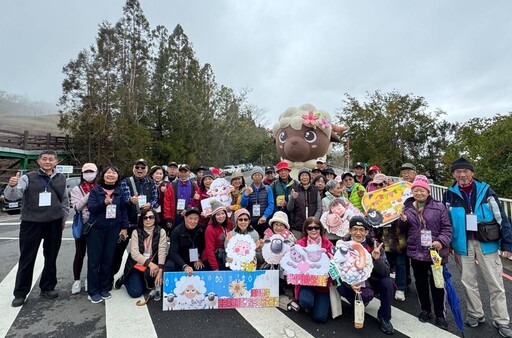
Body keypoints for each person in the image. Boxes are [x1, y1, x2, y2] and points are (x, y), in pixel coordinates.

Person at [443, 157, 512, 337]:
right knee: (468, 282)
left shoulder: (486, 191)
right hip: (462, 243)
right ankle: (475, 313)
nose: (462, 174)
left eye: (465, 171)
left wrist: (507, 243)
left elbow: (501, 218)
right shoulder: (450, 194)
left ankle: (502, 321)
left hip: (487, 242)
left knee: (495, 283)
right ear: (453, 174)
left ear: (472, 172)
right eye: (458, 171)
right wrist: (448, 243)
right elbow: (446, 221)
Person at [6, 150, 70, 307]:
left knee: (51, 256)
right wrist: (11, 186)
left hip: (53, 223)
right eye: (44, 159)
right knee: (27, 258)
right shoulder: (28, 178)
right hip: (31, 223)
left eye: (51, 159)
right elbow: (13, 196)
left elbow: (64, 201)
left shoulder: (61, 178)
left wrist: (63, 219)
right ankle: (20, 293)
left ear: (56, 162)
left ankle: (47, 287)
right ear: (39, 161)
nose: (48, 162)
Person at [398, 175, 452, 329]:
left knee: (437, 284)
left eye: (422, 190)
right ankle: (425, 310)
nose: (419, 193)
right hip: (416, 252)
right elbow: (402, 231)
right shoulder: (407, 208)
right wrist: (402, 221)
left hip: (434, 253)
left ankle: (440, 314)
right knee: (420, 283)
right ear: (412, 191)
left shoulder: (439, 207)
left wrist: (440, 241)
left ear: (428, 192)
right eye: (415, 190)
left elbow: (447, 228)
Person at [337, 216, 395, 335]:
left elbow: (386, 272)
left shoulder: (374, 246)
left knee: (387, 284)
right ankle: (356, 301)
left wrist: (377, 260)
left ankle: (384, 317)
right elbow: (338, 270)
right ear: (350, 231)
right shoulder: (343, 247)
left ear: (367, 232)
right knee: (338, 283)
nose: (358, 233)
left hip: (372, 279)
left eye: (361, 230)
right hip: (353, 281)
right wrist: (350, 283)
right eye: (355, 229)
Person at [87, 166, 129, 303]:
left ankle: (104, 287)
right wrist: (103, 203)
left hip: (113, 230)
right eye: (108, 173)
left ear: (118, 177)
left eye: (114, 173)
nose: (111, 175)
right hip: (97, 229)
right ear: (103, 175)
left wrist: (124, 227)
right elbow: (92, 208)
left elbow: (123, 210)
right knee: (94, 261)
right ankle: (93, 290)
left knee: (107, 259)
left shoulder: (119, 191)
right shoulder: (95, 190)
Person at [113, 159, 158, 288]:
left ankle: (128, 275)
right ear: (133, 168)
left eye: (142, 168)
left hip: (145, 223)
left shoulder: (151, 182)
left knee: (139, 251)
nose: (140, 170)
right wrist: (131, 200)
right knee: (118, 251)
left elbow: (155, 198)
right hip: (129, 222)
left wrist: (151, 204)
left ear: (147, 169)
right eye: (137, 167)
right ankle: (110, 276)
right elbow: (124, 200)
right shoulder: (126, 182)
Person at [122, 208, 167, 300]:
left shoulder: (161, 231)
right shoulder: (136, 232)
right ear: (142, 220)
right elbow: (135, 254)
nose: (148, 220)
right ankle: (125, 279)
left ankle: (143, 281)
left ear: (155, 218)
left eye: (151, 217)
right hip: (137, 264)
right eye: (145, 218)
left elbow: (162, 251)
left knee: (153, 282)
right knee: (135, 293)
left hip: (154, 264)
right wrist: (150, 264)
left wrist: (160, 270)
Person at [295, 217, 333, 323]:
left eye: (316, 227)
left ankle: (320, 302)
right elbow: (295, 266)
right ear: (306, 230)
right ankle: (309, 302)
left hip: (322, 285)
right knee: (306, 301)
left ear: (320, 229)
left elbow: (334, 268)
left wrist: (332, 262)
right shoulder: (300, 244)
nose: (313, 230)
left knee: (320, 318)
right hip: (306, 283)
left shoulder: (328, 245)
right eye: (310, 228)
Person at [70, 163, 98, 295]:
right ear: (82, 173)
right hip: (83, 225)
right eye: (86, 171)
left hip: (97, 225)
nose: (89, 173)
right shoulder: (77, 189)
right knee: (80, 253)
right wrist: (89, 195)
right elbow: (76, 207)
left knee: (94, 255)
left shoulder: (100, 187)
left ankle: (89, 279)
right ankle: (76, 280)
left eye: (91, 171)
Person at [164, 207, 209, 274]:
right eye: (190, 218)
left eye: (195, 219)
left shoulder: (201, 230)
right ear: (185, 218)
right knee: (170, 266)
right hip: (179, 259)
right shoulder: (176, 231)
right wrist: (184, 266)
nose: (193, 221)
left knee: (203, 267)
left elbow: (204, 247)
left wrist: (199, 258)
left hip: (194, 259)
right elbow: (173, 253)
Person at [287, 168, 322, 240]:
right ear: (299, 178)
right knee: (297, 246)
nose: (304, 177)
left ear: (309, 177)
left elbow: (319, 208)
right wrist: (292, 199)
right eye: (302, 175)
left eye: (306, 175)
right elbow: (289, 208)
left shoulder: (315, 189)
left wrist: (314, 220)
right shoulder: (294, 189)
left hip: (312, 226)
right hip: (297, 225)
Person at [240, 166, 274, 238]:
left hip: (265, 220)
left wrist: (265, 216)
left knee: (267, 241)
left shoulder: (268, 189)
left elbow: (271, 204)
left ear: (262, 176)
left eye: (259, 175)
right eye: (255, 175)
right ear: (252, 177)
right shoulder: (247, 189)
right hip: (251, 221)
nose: (257, 177)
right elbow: (243, 205)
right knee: (253, 241)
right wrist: (246, 195)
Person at [202, 200, 233, 270]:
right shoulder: (210, 229)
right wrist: (215, 268)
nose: (221, 216)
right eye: (218, 214)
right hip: (211, 257)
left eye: (223, 213)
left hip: (224, 255)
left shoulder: (229, 224)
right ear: (214, 216)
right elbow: (210, 250)